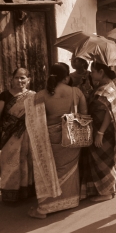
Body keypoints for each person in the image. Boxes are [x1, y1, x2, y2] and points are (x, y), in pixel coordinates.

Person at [25, 64, 87, 218]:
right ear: (67, 77)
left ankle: (46, 207)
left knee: (50, 169)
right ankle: (70, 201)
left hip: (49, 139)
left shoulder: (40, 95)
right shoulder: (76, 92)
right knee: (69, 169)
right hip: (71, 137)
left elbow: (34, 120)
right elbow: (84, 115)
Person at [83, 62, 116, 202]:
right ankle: (110, 188)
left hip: (105, 132)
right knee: (108, 160)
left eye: (93, 71)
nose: (91, 74)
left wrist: (100, 133)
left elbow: (108, 113)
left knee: (104, 161)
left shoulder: (106, 89)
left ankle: (106, 192)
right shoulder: (108, 85)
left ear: (101, 72)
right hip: (108, 130)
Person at [0, 68, 35, 203]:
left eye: (23, 78)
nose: (20, 81)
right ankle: (9, 194)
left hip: (28, 135)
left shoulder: (33, 96)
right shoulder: (4, 96)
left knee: (26, 161)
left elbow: (38, 116)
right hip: (9, 136)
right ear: (12, 79)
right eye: (17, 78)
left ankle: (25, 192)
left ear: (28, 80)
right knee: (9, 163)